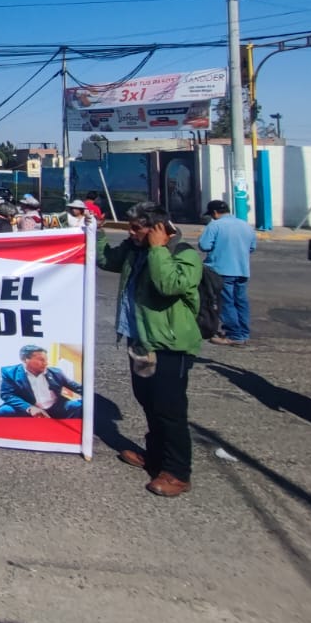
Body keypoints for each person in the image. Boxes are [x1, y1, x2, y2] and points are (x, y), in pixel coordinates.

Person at [98, 202, 203, 497]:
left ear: (157, 229)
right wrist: (99, 232)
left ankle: (178, 472)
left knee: (170, 410)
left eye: (137, 228)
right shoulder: (136, 251)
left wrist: (158, 249)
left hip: (168, 345)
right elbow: (106, 261)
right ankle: (155, 457)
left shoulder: (183, 255)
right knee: (149, 402)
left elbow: (169, 285)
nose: (130, 233)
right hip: (140, 342)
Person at [199, 199, 257, 346]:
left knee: (225, 302)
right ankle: (243, 333)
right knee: (241, 301)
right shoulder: (245, 225)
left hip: (222, 269)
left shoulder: (215, 225)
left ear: (214, 213)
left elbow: (204, 245)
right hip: (242, 270)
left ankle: (234, 335)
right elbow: (252, 247)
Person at [0, 345, 83, 418]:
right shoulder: (10, 372)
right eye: (41, 360)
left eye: (46, 360)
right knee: (4, 411)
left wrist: (91, 397)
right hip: (29, 408)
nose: (46, 363)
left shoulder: (56, 372)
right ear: (25, 360)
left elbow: (76, 387)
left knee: (80, 406)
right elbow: (7, 395)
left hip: (56, 407)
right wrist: (29, 408)